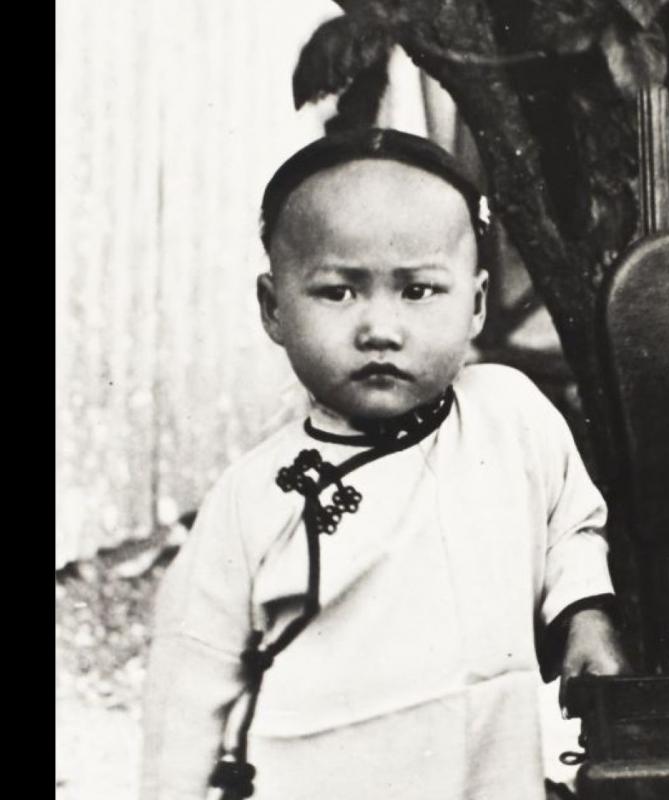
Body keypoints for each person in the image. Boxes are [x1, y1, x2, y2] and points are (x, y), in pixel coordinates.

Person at [141, 128, 629, 800]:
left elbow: (568, 523)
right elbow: (189, 682)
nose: (380, 327)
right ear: (273, 307)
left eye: (419, 290)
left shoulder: (510, 415)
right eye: (339, 292)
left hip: (486, 767)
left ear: (477, 302)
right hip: (313, 774)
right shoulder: (252, 496)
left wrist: (584, 614)